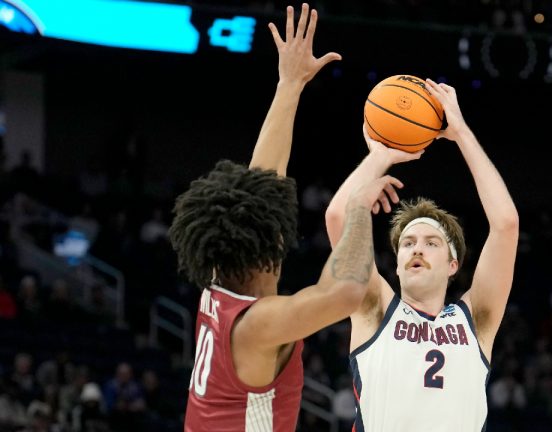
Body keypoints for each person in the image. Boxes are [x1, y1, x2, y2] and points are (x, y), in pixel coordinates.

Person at [172, 4, 403, 431]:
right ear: (269, 252)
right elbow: (344, 294)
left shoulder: (218, 285)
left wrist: (290, 84)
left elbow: (261, 182)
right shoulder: (256, 324)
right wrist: (356, 210)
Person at [325, 79, 520, 430]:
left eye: (432, 243)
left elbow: (506, 224)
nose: (417, 247)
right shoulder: (375, 308)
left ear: (453, 265)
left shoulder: (476, 320)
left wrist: (461, 133)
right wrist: (380, 157)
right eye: (408, 243)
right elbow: (338, 217)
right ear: (397, 265)